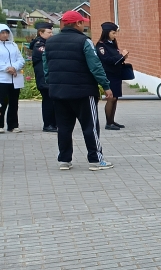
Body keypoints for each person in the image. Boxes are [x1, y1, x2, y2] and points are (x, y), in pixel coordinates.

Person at [43, 10, 115, 170]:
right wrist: (105, 85)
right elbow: (95, 66)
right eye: (82, 22)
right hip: (83, 92)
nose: (84, 25)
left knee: (63, 127)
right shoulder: (84, 41)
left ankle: (64, 160)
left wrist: (52, 83)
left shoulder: (50, 42)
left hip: (58, 92)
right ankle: (96, 160)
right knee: (90, 127)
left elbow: (46, 67)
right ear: (78, 23)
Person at [96, 22, 130, 130]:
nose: (115, 35)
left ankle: (112, 120)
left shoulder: (112, 43)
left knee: (115, 98)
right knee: (111, 98)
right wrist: (121, 56)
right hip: (109, 74)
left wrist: (123, 57)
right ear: (107, 32)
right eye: (113, 33)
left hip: (116, 74)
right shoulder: (101, 45)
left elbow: (116, 58)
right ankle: (108, 123)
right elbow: (107, 60)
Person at [29, 21, 57, 132]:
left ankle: (53, 123)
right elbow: (50, 55)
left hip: (49, 77)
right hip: (43, 78)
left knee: (53, 101)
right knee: (48, 101)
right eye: (49, 32)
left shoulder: (46, 43)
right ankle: (48, 124)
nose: (51, 34)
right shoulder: (39, 45)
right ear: (41, 33)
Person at [0, 24, 25, 133]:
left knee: (14, 103)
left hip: (15, 78)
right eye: (2, 33)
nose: (5, 35)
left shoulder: (13, 45)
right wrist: (7, 68)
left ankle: (13, 125)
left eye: (6, 32)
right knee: (2, 103)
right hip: (2, 79)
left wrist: (14, 67)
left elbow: (21, 60)